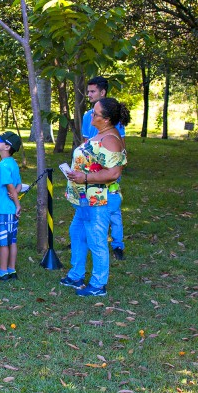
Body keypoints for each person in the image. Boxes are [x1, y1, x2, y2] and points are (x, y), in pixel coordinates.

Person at [60, 97, 130, 297]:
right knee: (77, 233)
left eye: (96, 112)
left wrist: (85, 177)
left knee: (96, 240)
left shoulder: (110, 140)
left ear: (106, 119)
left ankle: (98, 284)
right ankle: (76, 275)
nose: (91, 114)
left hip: (99, 200)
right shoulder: (101, 134)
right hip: (86, 199)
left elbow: (114, 173)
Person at [82, 76, 127, 260]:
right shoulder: (87, 116)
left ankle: (117, 244)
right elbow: (85, 142)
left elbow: (121, 146)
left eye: (93, 91)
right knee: (87, 206)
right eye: (88, 91)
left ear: (103, 92)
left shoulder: (113, 115)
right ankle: (85, 237)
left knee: (112, 209)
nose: (89, 94)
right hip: (90, 172)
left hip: (108, 171)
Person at [0, 131, 23, 282]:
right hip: (9, 210)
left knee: (3, 242)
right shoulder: (13, 163)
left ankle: (2, 272)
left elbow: (9, 186)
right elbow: (18, 184)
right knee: (12, 240)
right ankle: (11, 269)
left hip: (4, 210)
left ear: (7, 147)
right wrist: (16, 192)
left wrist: (17, 203)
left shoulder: (3, 165)